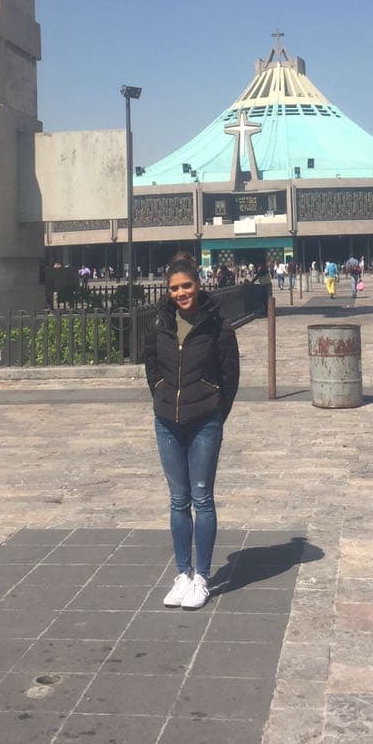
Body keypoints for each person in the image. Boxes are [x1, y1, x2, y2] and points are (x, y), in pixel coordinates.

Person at [144, 253, 240, 610]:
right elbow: (151, 364)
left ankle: (202, 576)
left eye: (187, 286)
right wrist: (162, 394)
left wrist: (214, 409)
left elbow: (230, 377)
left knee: (202, 498)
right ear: (168, 291)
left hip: (204, 421)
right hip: (168, 421)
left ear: (198, 285)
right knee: (177, 500)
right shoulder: (159, 324)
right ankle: (182, 573)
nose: (181, 293)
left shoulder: (218, 326)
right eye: (175, 288)